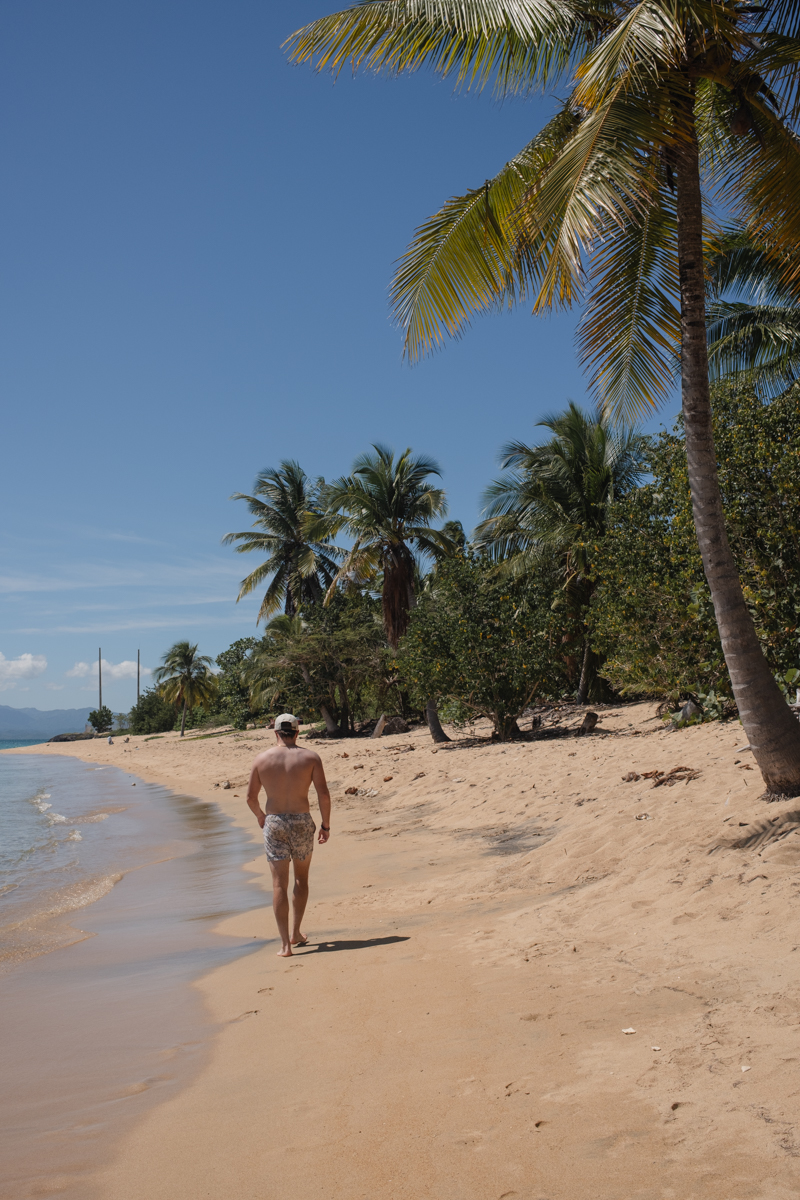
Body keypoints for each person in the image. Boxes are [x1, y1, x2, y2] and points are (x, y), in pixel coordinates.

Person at [246, 713, 331, 957]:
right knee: (300, 880)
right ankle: (296, 933)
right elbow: (323, 794)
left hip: (274, 823)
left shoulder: (262, 759)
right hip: (302, 821)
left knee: (277, 884)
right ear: (297, 732)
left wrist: (261, 817)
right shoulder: (310, 757)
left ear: (275, 733)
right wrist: (325, 825)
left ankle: (285, 945)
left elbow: (251, 797)